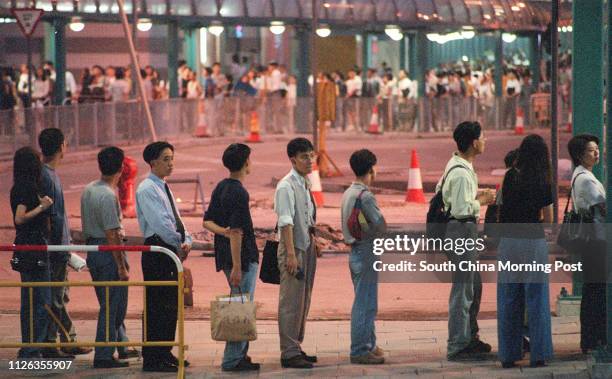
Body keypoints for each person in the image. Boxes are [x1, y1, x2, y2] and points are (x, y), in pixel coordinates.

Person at [438, 121, 495, 361]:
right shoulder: (461, 172)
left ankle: (469, 336)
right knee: (463, 291)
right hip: (461, 230)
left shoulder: (459, 165)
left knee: (473, 286)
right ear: (473, 142)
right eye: (483, 137)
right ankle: (458, 344)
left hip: (462, 232)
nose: (485, 141)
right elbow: (461, 209)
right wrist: (481, 201)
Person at [203, 143, 261, 372]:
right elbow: (237, 232)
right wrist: (238, 266)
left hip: (224, 256)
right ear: (246, 163)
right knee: (241, 307)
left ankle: (240, 354)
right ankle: (232, 358)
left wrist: (222, 231)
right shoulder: (239, 192)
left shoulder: (221, 187)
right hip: (242, 258)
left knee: (240, 303)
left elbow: (207, 221)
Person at [497, 135, 554, 368]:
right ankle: (538, 354)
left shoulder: (510, 175)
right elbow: (548, 220)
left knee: (509, 298)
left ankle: (509, 355)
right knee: (537, 298)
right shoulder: (542, 180)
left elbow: (501, 210)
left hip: (509, 242)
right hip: (533, 241)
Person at [136, 141, 192, 372]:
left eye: (172, 158)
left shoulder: (163, 186)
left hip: (169, 249)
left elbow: (176, 220)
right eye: (166, 159)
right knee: (157, 305)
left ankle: (165, 351)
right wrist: (179, 244)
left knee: (170, 305)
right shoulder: (147, 189)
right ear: (153, 163)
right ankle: (153, 357)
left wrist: (187, 239)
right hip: (158, 250)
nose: (171, 163)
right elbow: (161, 225)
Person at [37, 129, 91, 357]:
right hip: (57, 249)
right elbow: (53, 218)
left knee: (59, 296)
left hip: (60, 247)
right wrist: (63, 250)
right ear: (62, 146)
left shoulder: (49, 174)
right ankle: (56, 341)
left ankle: (62, 339)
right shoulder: (48, 177)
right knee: (57, 297)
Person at [81, 147, 133, 368]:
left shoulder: (89, 189)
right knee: (113, 306)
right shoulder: (108, 196)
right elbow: (112, 233)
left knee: (109, 302)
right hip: (108, 251)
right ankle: (103, 354)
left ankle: (121, 344)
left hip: (93, 250)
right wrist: (121, 267)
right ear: (121, 168)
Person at [275, 138, 321, 369]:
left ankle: (296, 346)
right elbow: (285, 223)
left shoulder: (304, 182)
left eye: (312, 155)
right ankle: (288, 352)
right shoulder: (286, 186)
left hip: (307, 246)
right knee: (291, 301)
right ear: (293, 159)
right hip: (293, 249)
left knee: (304, 299)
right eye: (304, 156)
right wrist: (291, 255)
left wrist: (316, 240)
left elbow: (306, 217)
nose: (310, 160)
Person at [341, 149, 387, 364]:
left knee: (366, 301)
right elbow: (380, 224)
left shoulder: (349, 193)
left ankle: (370, 344)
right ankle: (360, 350)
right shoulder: (365, 196)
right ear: (371, 169)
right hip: (366, 250)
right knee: (365, 303)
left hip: (354, 252)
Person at [10, 147, 53, 358]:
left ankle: (30, 346)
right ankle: (32, 348)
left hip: (28, 246)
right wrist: (42, 207)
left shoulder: (20, 186)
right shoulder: (26, 187)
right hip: (32, 248)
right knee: (41, 299)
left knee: (31, 299)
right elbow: (19, 218)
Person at [567, 134, 607, 353]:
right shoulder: (586, 179)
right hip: (595, 242)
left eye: (596, 149)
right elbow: (603, 207)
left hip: (590, 241)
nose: (596, 153)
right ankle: (593, 339)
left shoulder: (582, 175)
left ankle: (591, 339)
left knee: (593, 290)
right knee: (596, 291)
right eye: (592, 150)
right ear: (579, 155)